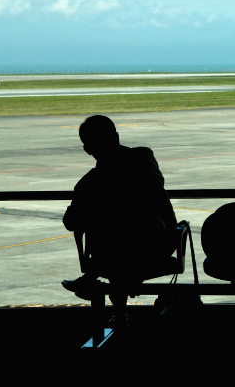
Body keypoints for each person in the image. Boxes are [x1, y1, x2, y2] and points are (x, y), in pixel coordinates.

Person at [61, 115, 177, 324]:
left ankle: (116, 310)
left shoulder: (90, 183)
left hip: (115, 256)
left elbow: (71, 222)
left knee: (112, 234)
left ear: (87, 149)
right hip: (158, 246)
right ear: (116, 136)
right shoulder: (145, 159)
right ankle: (108, 298)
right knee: (123, 230)